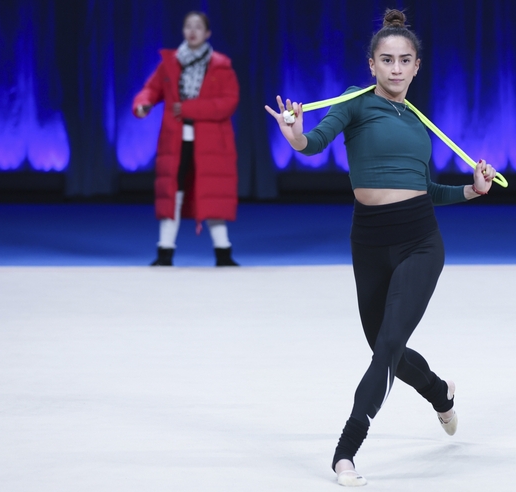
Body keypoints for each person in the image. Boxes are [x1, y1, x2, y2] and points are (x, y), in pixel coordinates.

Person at [265, 9, 495, 487]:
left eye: (404, 60)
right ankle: (439, 393)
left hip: (420, 241)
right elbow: (315, 141)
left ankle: (345, 452)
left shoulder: (416, 121)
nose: (395, 68)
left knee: (387, 345)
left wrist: (472, 190)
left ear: (416, 67)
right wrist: (296, 137)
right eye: (386, 59)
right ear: (371, 64)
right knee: (382, 345)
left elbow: (425, 188)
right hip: (369, 240)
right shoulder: (353, 104)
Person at [133, 11, 240, 266]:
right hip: (176, 141)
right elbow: (151, 89)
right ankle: (164, 252)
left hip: (212, 142)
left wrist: (190, 108)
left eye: (198, 27)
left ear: (207, 33)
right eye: (188, 26)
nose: (192, 31)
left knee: (212, 193)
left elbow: (228, 102)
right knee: (173, 192)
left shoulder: (220, 65)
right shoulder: (170, 63)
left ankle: (223, 253)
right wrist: (143, 103)